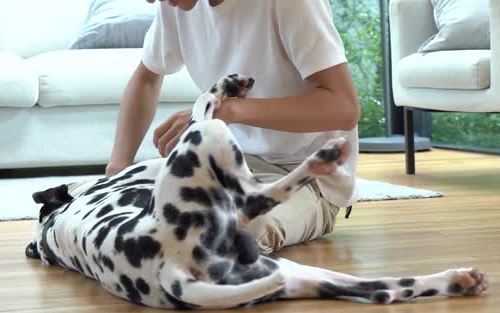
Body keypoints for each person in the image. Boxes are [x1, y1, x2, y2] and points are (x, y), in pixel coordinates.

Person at [105, 0, 361, 254]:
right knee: (125, 207)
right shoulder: (173, 5)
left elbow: (344, 107)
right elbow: (148, 77)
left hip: (305, 176)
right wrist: (118, 167)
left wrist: (227, 111)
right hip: (225, 164)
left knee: (233, 232)